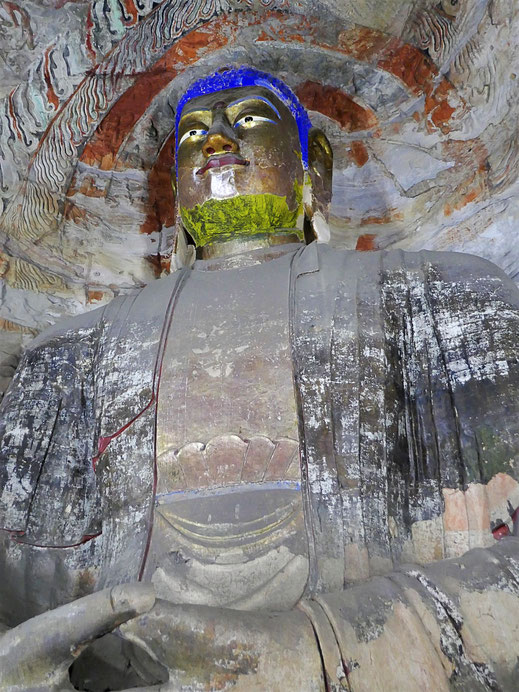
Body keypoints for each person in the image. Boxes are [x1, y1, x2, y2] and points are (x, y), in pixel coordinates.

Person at [1, 66, 519, 691]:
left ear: (314, 169)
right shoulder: (68, 356)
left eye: (248, 119)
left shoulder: (444, 297)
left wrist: (322, 648)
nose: (216, 141)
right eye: (192, 135)